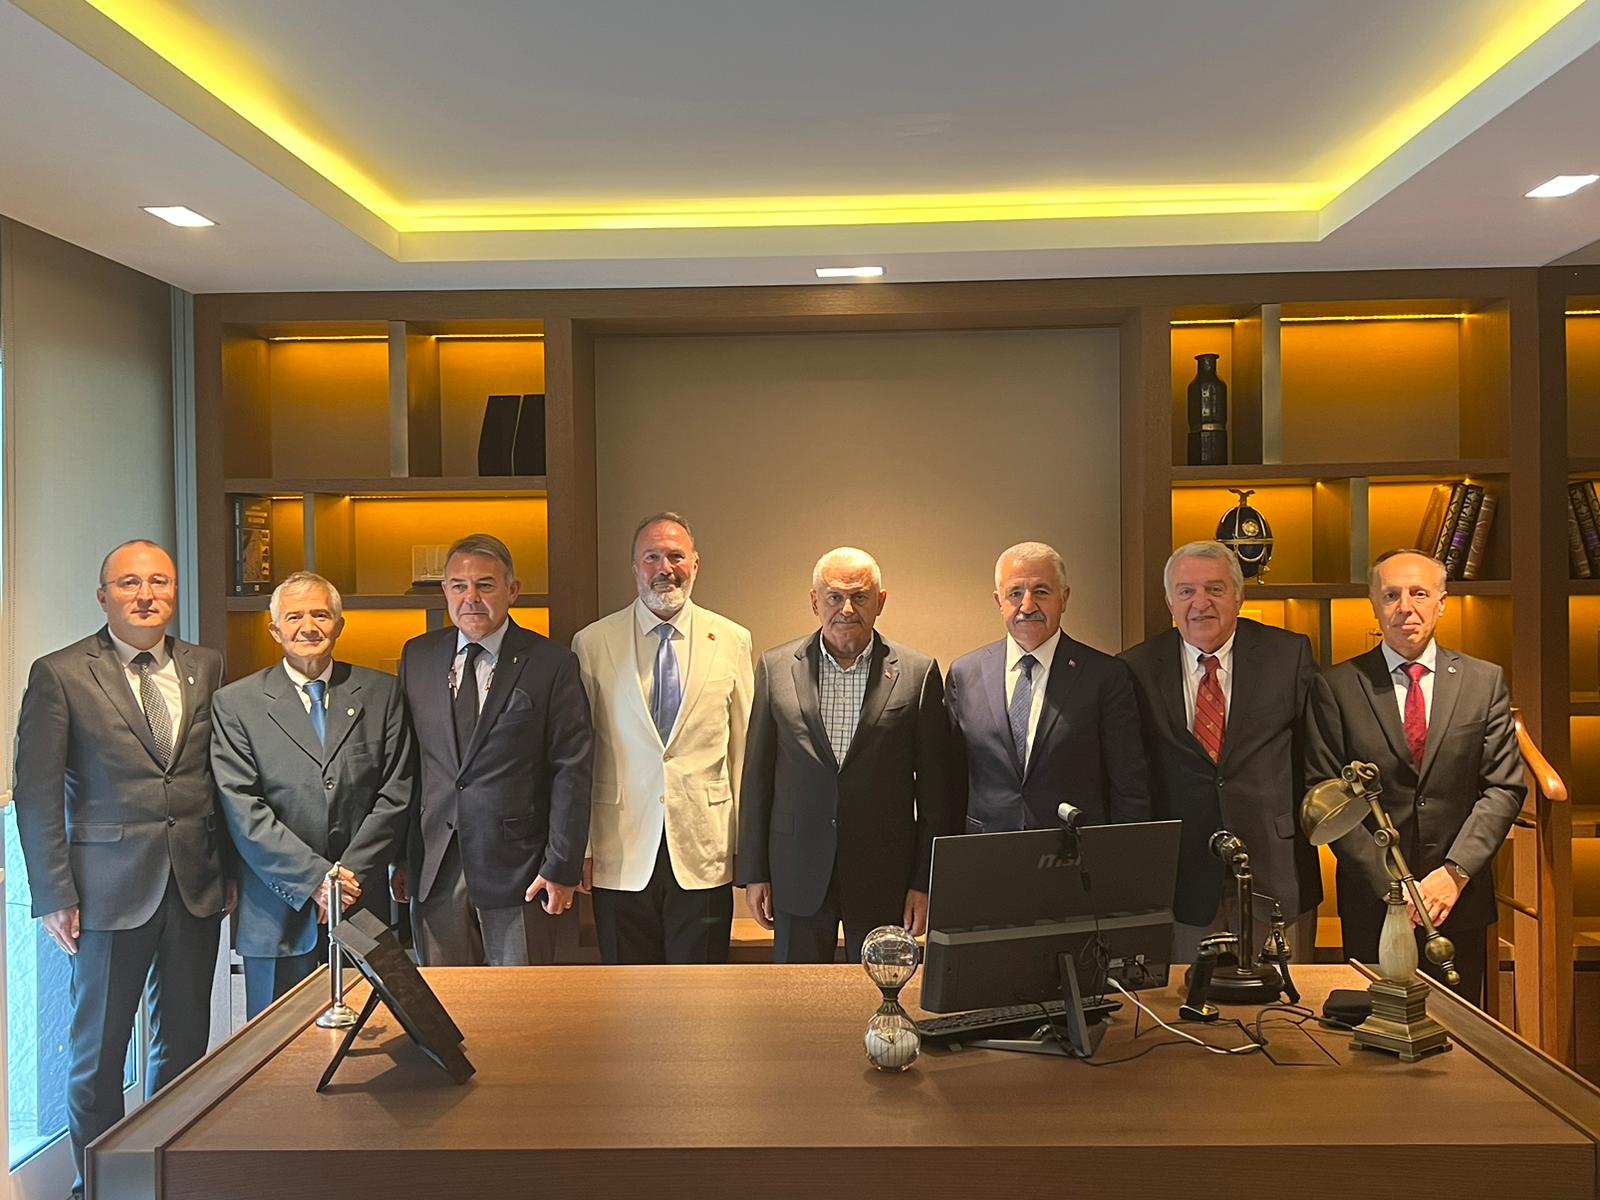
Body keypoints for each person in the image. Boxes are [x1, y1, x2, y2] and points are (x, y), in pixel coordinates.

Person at [12, 539, 231, 1198]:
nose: (145, 594)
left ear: (174, 592)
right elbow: (37, 792)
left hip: (194, 885)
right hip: (103, 895)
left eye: (159, 581)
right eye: (130, 583)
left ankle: (165, 1178)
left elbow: (218, 778)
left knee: (184, 1049)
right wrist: (53, 892)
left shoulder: (206, 665)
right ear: (103, 595)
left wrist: (231, 876)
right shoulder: (60, 673)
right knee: (97, 1058)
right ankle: (101, 1185)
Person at [1310, 549, 1524, 1003]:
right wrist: (1392, 886)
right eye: (1391, 595)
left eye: (1419, 593)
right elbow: (1327, 794)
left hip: (1459, 898)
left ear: (1442, 602)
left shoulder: (1484, 681)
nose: (1405, 606)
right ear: (1374, 604)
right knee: (1372, 1027)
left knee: (1460, 1030)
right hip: (1373, 903)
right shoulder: (1336, 686)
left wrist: (1455, 872)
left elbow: (1504, 787)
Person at [211, 571, 415, 1016]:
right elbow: (243, 808)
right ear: (275, 630)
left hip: (360, 903)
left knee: (369, 1037)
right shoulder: (236, 704)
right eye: (294, 617)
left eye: (321, 615)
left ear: (339, 624)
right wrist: (315, 882)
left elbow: (395, 793)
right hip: (276, 912)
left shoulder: (382, 693)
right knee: (278, 1046)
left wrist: (344, 882)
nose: (308, 627)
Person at [737, 548, 955, 962]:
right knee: (796, 995)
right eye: (834, 597)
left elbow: (935, 796)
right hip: (795, 872)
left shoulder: (918, 673)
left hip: (884, 877)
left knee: (882, 993)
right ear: (814, 601)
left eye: (860, 596)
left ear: (881, 601)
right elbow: (757, 779)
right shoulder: (775, 667)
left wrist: (924, 882)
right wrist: (754, 873)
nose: (847, 609)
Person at [1120, 541, 1325, 964]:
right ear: (1170, 602)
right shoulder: (1135, 668)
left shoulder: (1289, 655)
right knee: (1188, 998)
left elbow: (1316, 760)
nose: (1201, 603)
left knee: (1285, 1000)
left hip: (1275, 869)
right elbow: (1132, 779)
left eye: (1214, 589)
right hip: (1183, 879)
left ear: (1238, 596)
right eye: (1186, 591)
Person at [391, 534, 592, 965]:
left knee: (520, 1000)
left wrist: (561, 865)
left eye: (485, 585)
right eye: (459, 586)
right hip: (434, 866)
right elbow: (406, 765)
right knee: (443, 999)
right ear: (445, 591)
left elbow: (571, 770)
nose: (471, 598)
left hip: (520, 870)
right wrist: (401, 858)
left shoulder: (550, 662)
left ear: (512, 590)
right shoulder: (417, 656)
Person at [572, 512, 753, 963]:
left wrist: (746, 851)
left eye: (675, 556)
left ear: (696, 564)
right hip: (619, 850)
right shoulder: (593, 643)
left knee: (703, 993)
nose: (664, 568)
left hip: (704, 850)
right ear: (635, 567)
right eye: (651, 557)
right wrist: (583, 847)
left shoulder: (732, 639)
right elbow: (578, 757)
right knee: (626, 992)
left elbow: (743, 754)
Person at [947, 541, 1149, 832]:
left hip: (1073, 848)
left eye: (1041, 591)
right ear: (998, 601)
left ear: (1064, 598)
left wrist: (1123, 851)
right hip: (986, 848)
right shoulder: (965, 674)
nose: (1027, 606)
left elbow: (1129, 784)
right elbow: (950, 779)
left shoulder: (1105, 676)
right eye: (1015, 593)